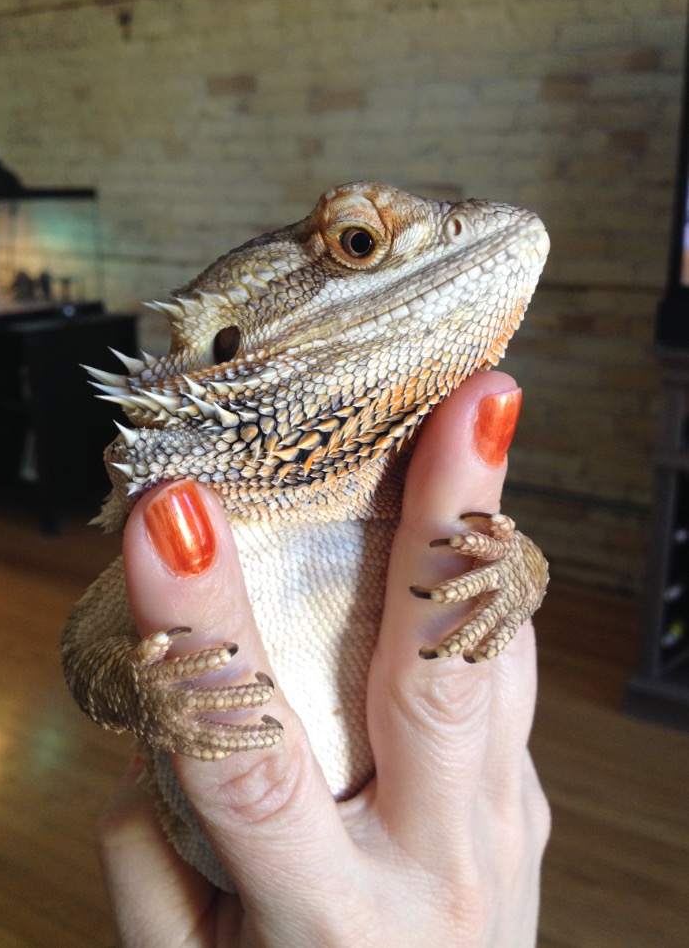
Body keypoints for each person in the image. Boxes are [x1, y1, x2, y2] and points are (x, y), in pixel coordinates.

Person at [98, 370, 550, 947]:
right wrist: (143, 693)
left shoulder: (393, 482)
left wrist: (521, 569)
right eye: (358, 267)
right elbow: (86, 651)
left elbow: (511, 558)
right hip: (231, 859)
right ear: (229, 345)